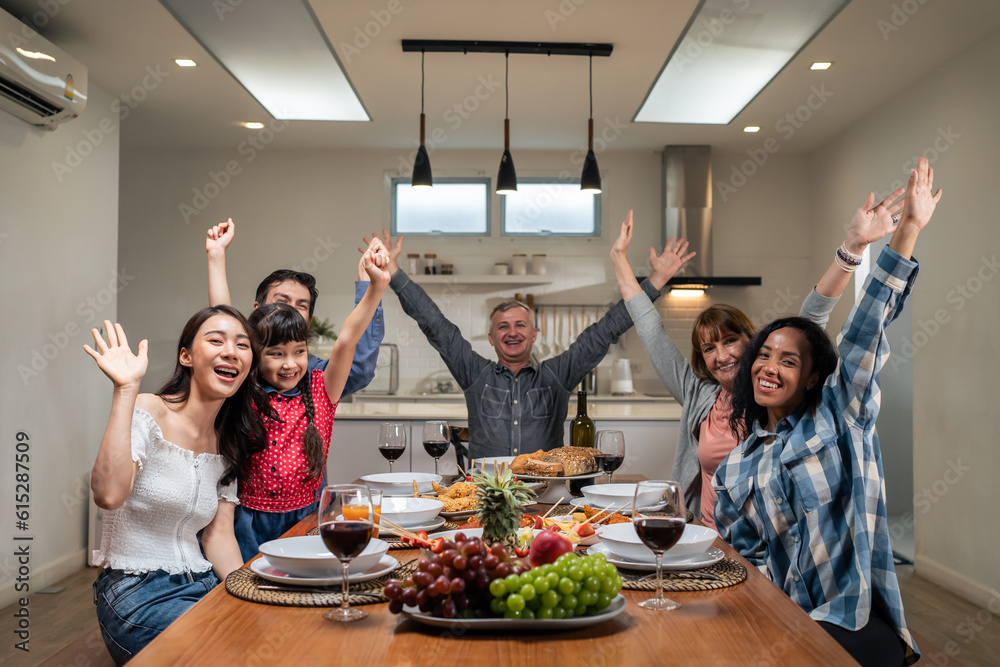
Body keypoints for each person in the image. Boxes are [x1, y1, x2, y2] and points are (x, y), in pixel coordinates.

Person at [714, 158, 942, 666]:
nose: (769, 367)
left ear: (813, 377)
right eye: (764, 355)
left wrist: (905, 232)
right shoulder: (735, 469)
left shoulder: (840, 415)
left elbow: (864, 330)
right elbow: (744, 562)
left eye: (789, 360)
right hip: (781, 620)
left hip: (850, 620)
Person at [609, 189, 905, 530]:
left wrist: (853, 248)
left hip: (765, 549)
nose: (721, 356)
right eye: (708, 349)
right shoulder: (698, 395)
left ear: (752, 341)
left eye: (730, 341)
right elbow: (650, 330)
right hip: (704, 538)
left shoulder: (774, 392)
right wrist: (618, 258)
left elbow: (813, 315)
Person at [364, 221, 672, 460]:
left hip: (546, 498)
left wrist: (654, 282)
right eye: (503, 327)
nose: (512, 332)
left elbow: (605, 331)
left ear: (534, 334)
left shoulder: (556, 377)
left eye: (520, 325)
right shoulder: (475, 374)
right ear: (491, 338)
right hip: (487, 497)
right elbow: (433, 323)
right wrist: (392, 269)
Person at [86, 307, 273, 664]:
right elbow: (108, 495)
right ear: (186, 356)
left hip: (204, 585)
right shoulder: (148, 411)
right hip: (136, 592)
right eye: (215, 340)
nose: (230, 351)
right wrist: (125, 390)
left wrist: (249, 591)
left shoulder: (230, 441)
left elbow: (218, 536)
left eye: (242, 345)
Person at [225, 248, 390, 562]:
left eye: (298, 352)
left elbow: (346, 341)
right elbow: (222, 319)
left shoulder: (320, 386)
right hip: (249, 522)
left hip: (309, 518)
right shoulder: (243, 387)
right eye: (276, 353)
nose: (290, 364)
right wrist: (216, 256)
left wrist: (376, 286)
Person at [205, 218, 385, 399]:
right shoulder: (243, 364)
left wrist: (371, 286)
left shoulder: (316, 376)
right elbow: (223, 320)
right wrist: (216, 255)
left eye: (301, 305)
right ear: (258, 311)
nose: (290, 311)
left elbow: (350, 352)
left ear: (308, 321)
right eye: (282, 301)